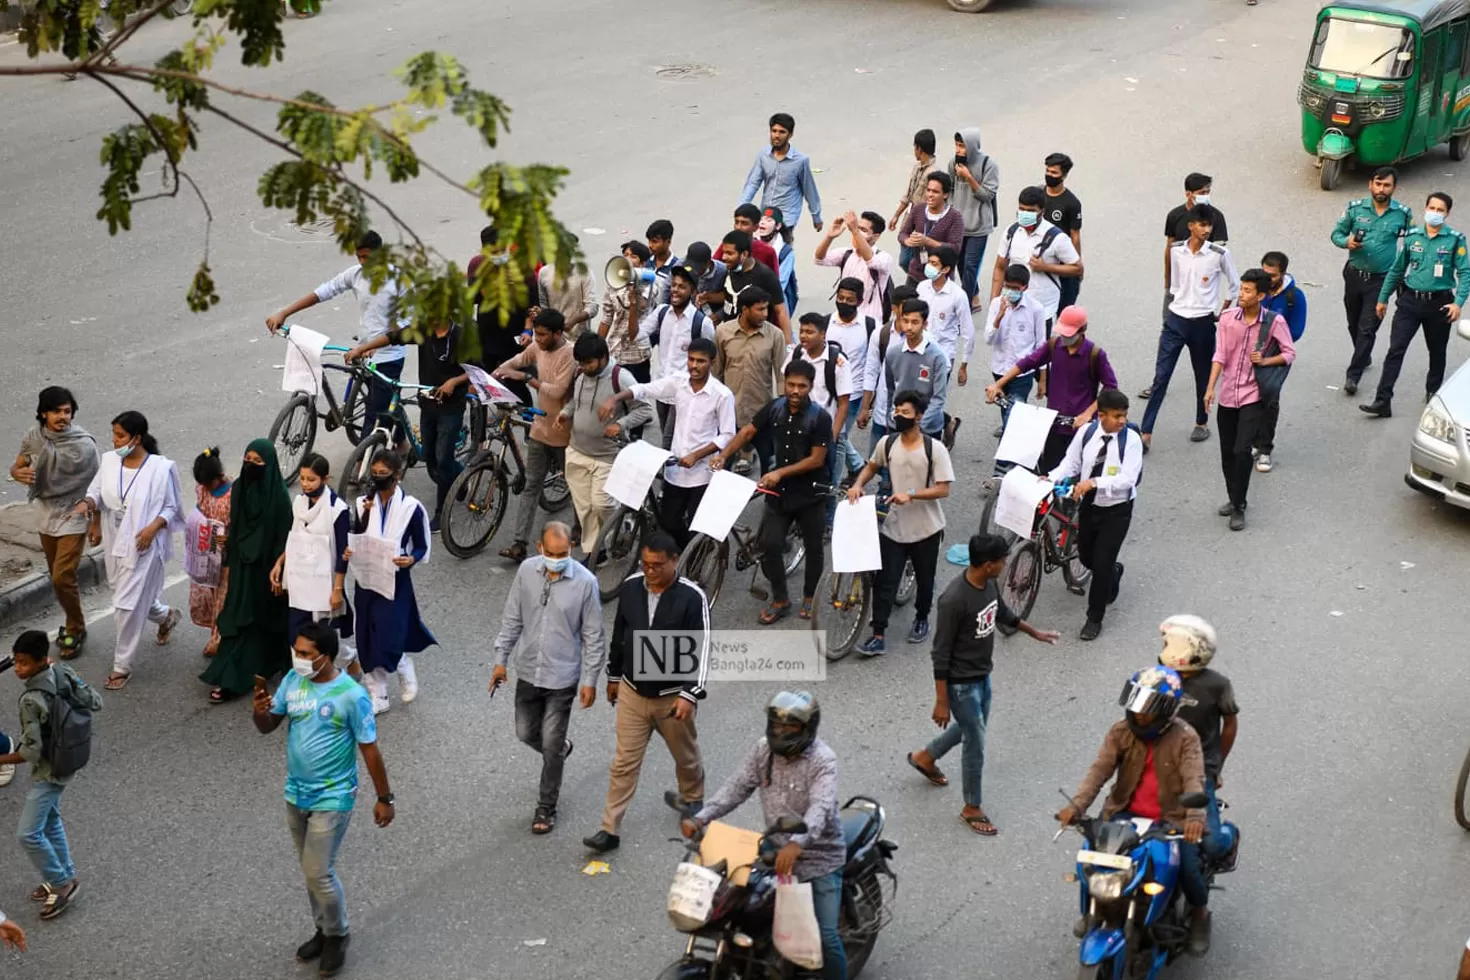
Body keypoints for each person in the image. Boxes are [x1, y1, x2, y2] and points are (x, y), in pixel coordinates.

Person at [253, 622, 394, 979]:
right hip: (295, 793)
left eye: (305, 654)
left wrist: (384, 797)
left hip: (334, 796)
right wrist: (259, 710)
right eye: (296, 652)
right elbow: (269, 725)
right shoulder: (292, 682)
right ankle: (323, 929)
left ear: (326, 658)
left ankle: (338, 934)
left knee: (319, 872)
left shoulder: (351, 695)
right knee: (311, 872)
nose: (298, 659)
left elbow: (369, 749)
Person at [681, 691, 846, 980]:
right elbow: (738, 786)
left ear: (808, 728)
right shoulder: (763, 751)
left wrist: (797, 844)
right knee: (738, 906)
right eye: (777, 725)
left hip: (819, 857)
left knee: (825, 936)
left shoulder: (823, 760)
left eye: (790, 727)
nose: (781, 732)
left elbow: (820, 809)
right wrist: (702, 817)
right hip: (773, 847)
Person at [906, 535, 1059, 836]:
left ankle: (925, 757)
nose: (1005, 565)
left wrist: (1033, 632)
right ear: (989, 564)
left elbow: (1001, 612)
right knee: (975, 743)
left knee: (970, 729)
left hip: (982, 675)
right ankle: (971, 807)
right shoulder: (953, 600)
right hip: (961, 686)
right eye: (1002, 561)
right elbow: (940, 652)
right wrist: (941, 700)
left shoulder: (988, 584)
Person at [1056, 667, 1212, 956]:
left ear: (1165, 711)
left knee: (1188, 869)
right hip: (1122, 815)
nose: (1139, 714)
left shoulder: (1185, 737)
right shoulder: (1120, 731)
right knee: (1092, 861)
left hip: (1169, 821)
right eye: (1136, 704)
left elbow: (1195, 778)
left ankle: (1201, 915)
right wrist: (1077, 806)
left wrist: (1194, 819)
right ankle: (1092, 910)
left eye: (1147, 708)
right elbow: (1099, 771)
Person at [585, 531, 709, 853]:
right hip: (632, 693)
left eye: (657, 565)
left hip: (672, 698)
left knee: (686, 757)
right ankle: (609, 829)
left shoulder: (692, 598)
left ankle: (693, 797)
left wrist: (689, 693)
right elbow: (620, 634)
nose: (650, 571)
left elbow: (702, 648)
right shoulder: (630, 588)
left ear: (674, 561)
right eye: (645, 564)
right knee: (624, 762)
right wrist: (613, 676)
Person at [491, 522, 606, 835]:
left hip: (562, 677)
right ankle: (559, 750)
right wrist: (500, 661)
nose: (557, 559)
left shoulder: (586, 583)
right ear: (540, 548)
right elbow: (512, 617)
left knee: (551, 742)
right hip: (528, 669)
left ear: (571, 548)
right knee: (525, 732)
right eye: (551, 553)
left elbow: (594, 635)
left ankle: (546, 807)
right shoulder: (527, 571)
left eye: (563, 553)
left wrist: (590, 679)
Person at [710, 360, 832, 622]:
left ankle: (810, 598)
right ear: (784, 383)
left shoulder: (820, 418)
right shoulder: (775, 407)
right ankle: (781, 599)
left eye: (802, 386)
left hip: (811, 495)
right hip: (779, 494)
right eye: (791, 384)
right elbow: (748, 432)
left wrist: (779, 473)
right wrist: (725, 454)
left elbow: (816, 460)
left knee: (814, 548)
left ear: (811, 387)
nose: (795, 390)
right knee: (769, 545)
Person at [265, 232, 408, 449]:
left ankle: (361, 464)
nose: (363, 262)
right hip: (364, 350)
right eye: (359, 257)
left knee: (375, 414)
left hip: (389, 355)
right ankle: (401, 441)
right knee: (383, 402)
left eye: (367, 257)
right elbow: (324, 292)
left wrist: (372, 346)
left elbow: (407, 325)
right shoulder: (356, 275)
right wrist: (284, 313)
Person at [77, 411, 183, 691]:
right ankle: (165, 616)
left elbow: (171, 508)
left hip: (144, 543)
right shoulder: (110, 461)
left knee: (125, 604)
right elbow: (96, 491)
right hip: (116, 538)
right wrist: (91, 511)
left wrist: (152, 529)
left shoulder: (160, 468)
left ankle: (121, 666)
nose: (115, 441)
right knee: (131, 596)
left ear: (136, 438)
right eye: (113, 434)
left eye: (120, 436)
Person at [0, 631, 102, 922]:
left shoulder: (30, 700)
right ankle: (64, 874)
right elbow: (95, 702)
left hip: (50, 771)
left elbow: (30, 752)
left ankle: (60, 883)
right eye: (16, 662)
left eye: (23, 663)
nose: (18, 668)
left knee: (28, 833)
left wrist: (2, 759)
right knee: (50, 821)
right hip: (70, 757)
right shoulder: (62, 670)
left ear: (41, 660)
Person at [846, 389, 954, 654]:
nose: (898, 416)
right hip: (894, 526)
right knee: (885, 580)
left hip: (926, 528)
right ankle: (878, 633)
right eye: (896, 411)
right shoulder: (887, 443)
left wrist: (913, 494)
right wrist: (858, 485)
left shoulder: (934, 449)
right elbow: (871, 466)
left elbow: (943, 489)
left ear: (919, 416)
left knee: (925, 577)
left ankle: (921, 619)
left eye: (905, 412)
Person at [601, 338, 736, 550]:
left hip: (702, 473)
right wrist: (616, 398)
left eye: (700, 361)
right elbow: (646, 389)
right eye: (691, 359)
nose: (694, 365)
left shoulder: (722, 395)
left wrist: (697, 455)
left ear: (711, 361)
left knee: (695, 526)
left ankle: (696, 564)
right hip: (675, 469)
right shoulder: (678, 382)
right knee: (669, 522)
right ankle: (683, 556)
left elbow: (727, 435)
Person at [347, 316, 470, 528]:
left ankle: (441, 514)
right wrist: (362, 348)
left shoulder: (462, 337)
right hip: (428, 403)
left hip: (451, 408)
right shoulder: (423, 329)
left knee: (442, 460)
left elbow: (476, 371)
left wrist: (454, 382)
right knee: (429, 457)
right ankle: (460, 476)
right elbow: (393, 337)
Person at [198, 440, 293, 704]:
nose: (250, 465)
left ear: (269, 466)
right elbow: (236, 525)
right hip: (241, 566)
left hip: (266, 570)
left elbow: (284, 540)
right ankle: (232, 676)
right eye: (247, 458)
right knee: (239, 618)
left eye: (257, 461)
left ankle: (249, 672)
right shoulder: (240, 488)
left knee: (261, 620)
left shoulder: (280, 500)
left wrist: (277, 570)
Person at [1361, 191, 1470, 418]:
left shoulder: (1455, 240)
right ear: (1425, 208)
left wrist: (1458, 303)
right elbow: (1397, 270)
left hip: (1440, 304)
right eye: (1432, 208)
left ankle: (1433, 394)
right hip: (1410, 302)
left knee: (1437, 352)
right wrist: (1383, 298)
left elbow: (1465, 273)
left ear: (1447, 213)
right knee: (1395, 350)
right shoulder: (1412, 237)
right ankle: (1382, 401)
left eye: (1440, 210)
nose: (1435, 213)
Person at [1045, 388, 1143, 640]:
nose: (1122, 421)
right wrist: (1051, 477)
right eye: (1116, 416)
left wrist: (1094, 483)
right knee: (1088, 558)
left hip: (1117, 510)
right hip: (1089, 506)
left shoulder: (1131, 440)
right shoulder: (1086, 433)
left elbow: (1128, 479)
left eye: (1124, 415)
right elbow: (1071, 463)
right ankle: (1114, 571)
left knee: (1100, 564)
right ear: (1101, 415)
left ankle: (1094, 618)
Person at [1204, 268, 1296, 531]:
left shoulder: (1274, 322)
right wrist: (1210, 388)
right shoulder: (1227, 319)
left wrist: (1266, 360)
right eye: (1241, 289)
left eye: (1247, 291)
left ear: (1261, 295)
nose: (1241, 295)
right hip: (1227, 395)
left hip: (1253, 395)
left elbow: (1289, 353)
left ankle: (1240, 505)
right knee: (1226, 452)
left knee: (1241, 451)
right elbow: (1219, 355)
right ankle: (1233, 497)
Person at [1141, 205, 1239, 449]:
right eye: (1202, 225)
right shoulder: (1176, 251)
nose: (1206, 230)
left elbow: (1235, 285)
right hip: (1176, 319)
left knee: (1203, 375)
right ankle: (1146, 432)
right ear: (1191, 226)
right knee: (1161, 377)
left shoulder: (1219, 254)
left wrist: (1223, 312)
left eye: (1209, 226)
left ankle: (1201, 422)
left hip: (1203, 322)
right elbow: (1174, 283)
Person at [11, 386, 99, 659]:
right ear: (43, 413)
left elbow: (99, 485)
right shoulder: (34, 437)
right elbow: (20, 463)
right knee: (57, 576)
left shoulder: (84, 445)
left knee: (63, 576)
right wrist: (17, 472)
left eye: (67, 411)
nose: (63, 417)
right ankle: (74, 620)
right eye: (56, 411)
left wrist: (95, 523)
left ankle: (76, 626)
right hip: (46, 513)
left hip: (75, 512)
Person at [345, 450, 436, 714]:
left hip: (395, 581)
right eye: (374, 473)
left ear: (397, 475)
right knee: (366, 636)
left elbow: (421, 545)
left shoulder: (411, 509)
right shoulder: (363, 503)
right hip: (366, 580)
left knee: (389, 634)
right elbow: (354, 535)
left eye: (383, 474)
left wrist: (411, 559)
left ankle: (403, 664)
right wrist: (351, 548)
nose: (377, 478)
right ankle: (378, 694)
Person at [987, 306, 1119, 474]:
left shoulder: (1095, 354)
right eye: (1062, 332)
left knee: (1076, 474)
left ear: (1083, 330)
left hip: (1080, 428)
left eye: (1069, 334)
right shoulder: (1054, 345)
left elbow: (1110, 387)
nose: (1064, 337)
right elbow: (1027, 363)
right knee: (1048, 474)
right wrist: (999, 384)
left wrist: (1088, 413)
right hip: (1054, 425)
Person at [557, 333, 653, 557]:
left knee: (602, 505)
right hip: (577, 451)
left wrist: (621, 424)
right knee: (585, 508)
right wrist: (565, 413)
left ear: (602, 357)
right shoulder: (581, 374)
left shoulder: (621, 378)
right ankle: (595, 552)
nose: (584, 367)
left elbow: (646, 410)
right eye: (580, 363)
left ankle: (623, 524)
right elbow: (576, 402)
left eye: (588, 362)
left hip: (607, 456)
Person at [1158, 615, 1240, 871]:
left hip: (1200, 767)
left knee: (1212, 844)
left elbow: (1230, 725)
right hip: (1161, 760)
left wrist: (1216, 767)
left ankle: (1229, 835)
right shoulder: (1162, 677)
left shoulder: (1218, 686)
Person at [494, 308, 575, 561]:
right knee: (531, 486)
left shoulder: (569, 354)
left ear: (558, 333)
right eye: (536, 334)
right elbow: (517, 361)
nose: (537, 339)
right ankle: (520, 543)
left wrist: (527, 378)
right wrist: (497, 373)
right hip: (540, 429)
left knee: (576, 486)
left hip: (564, 433)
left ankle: (584, 532)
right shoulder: (537, 347)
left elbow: (558, 391)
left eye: (542, 335)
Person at [271, 454, 357, 671]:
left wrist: (337, 589)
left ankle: (344, 660)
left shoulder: (338, 510)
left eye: (311, 479)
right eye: (302, 478)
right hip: (300, 583)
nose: (306, 484)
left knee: (320, 641)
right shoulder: (299, 504)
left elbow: (341, 552)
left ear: (325, 479)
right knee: (295, 635)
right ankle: (305, 680)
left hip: (323, 586)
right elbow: (295, 537)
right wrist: (280, 563)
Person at [1332, 166, 1412, 396]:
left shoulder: (1403, 215)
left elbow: (1414, 241)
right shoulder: (1355, 209)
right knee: (1353, 323)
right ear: (1370, 184)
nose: (1381, 189)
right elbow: (1336, 233)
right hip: (1354, 275)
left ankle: (1353, 375)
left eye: (1386, 185)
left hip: (1382, 280)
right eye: (1378, 183)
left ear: (1393, 188)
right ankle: (1363, 355)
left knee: (1367, 329)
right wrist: (1346, 242)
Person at [782, 314, 851, 518]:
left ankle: (828, 523)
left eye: (810, 332)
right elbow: (784, 384)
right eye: (802, 331)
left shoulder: (837, 362)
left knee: (828, 483)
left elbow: (843, 403)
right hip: (799, 430)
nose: (804, 336)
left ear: (823, 334)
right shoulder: (796, 354)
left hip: (827, 433)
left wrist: (832, 438)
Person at [989, 186, 1083, 335]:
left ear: (1042, 212)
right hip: (1014, 306)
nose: (1025, 213)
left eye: (1031, 211)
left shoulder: (1057, 238)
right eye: (1022, 209)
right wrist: (994, 304)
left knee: (1040, 355)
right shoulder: (1011, 232)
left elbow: (1077, 268)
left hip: (1043, 309)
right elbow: (1000, 267)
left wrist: (1046, 267)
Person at [640, 265, 716, 450]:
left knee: (669, 439)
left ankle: (669, 472)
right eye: (674, 285)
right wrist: (635, 304)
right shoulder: (662, 312)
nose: (675, 290)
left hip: (683, 392)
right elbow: (637, 335)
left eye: (682, 286)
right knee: (668, 435)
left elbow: (711, 357)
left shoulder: (702, 323)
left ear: (692, 291)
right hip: (662, 387)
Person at [714, 287, 787, 473]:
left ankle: (770, 501)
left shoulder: (775, 335)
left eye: (766, 309)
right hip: (730, 412)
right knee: (723, 464)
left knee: (769, 467)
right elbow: (716, 372)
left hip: (762, 413)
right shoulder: (723, 332)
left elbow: (781, 375)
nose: (765, 314)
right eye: (760, 309)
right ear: (745, 309)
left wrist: (783, 410)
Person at [469, 223, 539, 405]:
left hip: (514, 336)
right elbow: (473, 299)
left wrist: (528, 330)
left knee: (516, 381)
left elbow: (532, 305)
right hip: (488, 333)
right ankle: (495, 416)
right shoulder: (477, 265)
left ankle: (526, 419)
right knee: (487, 381)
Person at [1255, 252, 1308, 472]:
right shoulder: (1257, 289)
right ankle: (1252, 441)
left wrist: (1270, 336)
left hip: (1277, 353)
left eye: (1273, 276)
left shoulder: (1294, 297)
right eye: (1264, 273)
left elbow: (1295, 331)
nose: (1267, 279)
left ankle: (1265, 449)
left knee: (1269, 397)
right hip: (1251, 349)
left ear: (1283, 273)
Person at [983, 264, 1048, 438]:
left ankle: (1007, 450)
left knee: (1015, 413)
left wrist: (1042, 379)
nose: (1009, 291)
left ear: (1024, 288)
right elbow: (988, 339)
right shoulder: (997, 304)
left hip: (1022, 374)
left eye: (1014, 288)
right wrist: (998, 319)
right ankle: (1008, 427)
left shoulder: (1036, 309)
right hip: (999, 369)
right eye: (1007, 286)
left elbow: (1042, 345)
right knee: (1006, 407)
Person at [857, 283, 919, 455]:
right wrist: (864, 408)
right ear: (894, 308)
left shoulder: (925, 339)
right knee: (877, 460)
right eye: (906, 306)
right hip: (883, 412)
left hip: (910, 416)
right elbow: (871, 371)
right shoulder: (881, 334)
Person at [823, 277, 875, 482]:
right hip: (827, 391)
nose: (843, 302)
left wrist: (866, 404)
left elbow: (873, 365)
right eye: (840, 297)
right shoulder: (827, 322)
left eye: (849, 300)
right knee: (835, 433)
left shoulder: (870, 326)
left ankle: (832, 484)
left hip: (853, 395)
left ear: (860, 301)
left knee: (839, 438)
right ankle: (855, 464)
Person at [740, 112, 823, 235]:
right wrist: (742, 207)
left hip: (787, 217)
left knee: (781, 250)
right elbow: (753, 183)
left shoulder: (800, 161)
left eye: (782, 132)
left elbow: (809, 190)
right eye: (774, 131)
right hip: (766, 214)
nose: (777, 136)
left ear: (790, 134)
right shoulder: (763, 155)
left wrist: (816, 216)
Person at [881, 299, 951, 440]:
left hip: (928, 428)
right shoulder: (893, 353)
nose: (908, 327)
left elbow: (938, 397)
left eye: (914, 322)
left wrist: (919, 426)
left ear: (924, 324)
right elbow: (891, 391)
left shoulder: (936, 357)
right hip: (898, 425)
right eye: (905, 321)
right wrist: (891, 417)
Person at [185, 448, 231, 656]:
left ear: (219, 477)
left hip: (225, 558)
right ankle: (214, 634)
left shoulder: (232, 496)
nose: (205, 489)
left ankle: (218, 641)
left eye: (208, 484)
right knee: (208, 597)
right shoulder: (203, 490)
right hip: (206, 555)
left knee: (222, 601)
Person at [815, 210, 894, 327]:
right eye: (858, 228)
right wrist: (829, 237)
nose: (857, 232)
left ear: (876, 236)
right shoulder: (846, 254)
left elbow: (871, 261)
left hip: (870, 322)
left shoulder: (884, 257)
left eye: (864, 230)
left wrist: (855, 231)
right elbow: (819, 259)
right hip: (844, 318)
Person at [950, 128, 1000, 306]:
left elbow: (987, 195)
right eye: (956, 145)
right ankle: (974, 296)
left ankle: (963, 307)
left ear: (972, 146)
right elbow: (949, 191)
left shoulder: (989, 165)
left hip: (978, 227)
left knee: (971, 267)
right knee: (960, 265)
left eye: (962, 146)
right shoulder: (953, 164)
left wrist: (969, 177)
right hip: (958, 226)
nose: (958, 150)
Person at [597, 240, 658, 387]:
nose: (628, 259)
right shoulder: (614, 284)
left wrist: (634, 292)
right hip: (615, 350)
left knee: (637, 397)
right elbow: (607, 317)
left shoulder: (649, 286)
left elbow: (640, 308)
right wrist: (597, 346)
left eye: (634, 256)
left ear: (642, 263)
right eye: (625, 255)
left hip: (637, 354)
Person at [916, 245, 977, 389]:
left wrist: (964, 365)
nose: (929, 266)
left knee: (935, 399)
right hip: (919, 351)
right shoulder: (922, 287)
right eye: (929, 262)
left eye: (934, 264)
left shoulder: (958, 295)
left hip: (943, 355)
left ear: (945, 269)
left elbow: (968, 331)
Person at [715, 229, 791, 341]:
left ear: (744, 254)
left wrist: (788, 346)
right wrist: (708, 297)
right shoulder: (730, 268)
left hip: (756, 339)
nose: (724, 257)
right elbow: (731, 295)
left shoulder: (765, 276)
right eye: (724, 252)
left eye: (729, 253)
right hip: (730, 337)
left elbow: (780, 311)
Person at [898, 171, 964, 285]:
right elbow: (902, 233)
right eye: (928, 190)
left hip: (940, 276)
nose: (930, 195)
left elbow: (955, 248)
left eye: (935, 192)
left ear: (945, 195)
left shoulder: (955, 217)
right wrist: (907, 241)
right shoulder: (918, 209)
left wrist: (927, 241)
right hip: (916, 273)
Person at [1043, 152, 1084, 311]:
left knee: (1064, 308)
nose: (1049, 175)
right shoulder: (1038, 196)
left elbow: (1075, 236)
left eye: (1054, 173)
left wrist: (1076, 263)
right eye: (1047, 171)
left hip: (1061, 261)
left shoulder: (1072, 203)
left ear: (1064, 176)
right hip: (1041, 260)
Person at [893, 128, 937, 272]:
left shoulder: (933, 172)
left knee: (914, 258)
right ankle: (916, 279)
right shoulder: (917, 167)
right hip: (910, 218)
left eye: (915, 147)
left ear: (919, 148)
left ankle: (919, 281)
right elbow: (909, 194)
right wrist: (896, 215)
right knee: (906, 257)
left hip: (923, 222)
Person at [537, 247, 598, 338]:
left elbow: (592, 306)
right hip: (554, 339)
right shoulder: (544, 273)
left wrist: (574, 320)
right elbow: (543, 305)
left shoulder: (584, 273)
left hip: (578, 338)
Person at [757, 206, 799, 313]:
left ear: (778, 226)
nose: (762, 223)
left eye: (768, 220)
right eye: (761, 219)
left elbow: (781, 282)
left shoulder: (785, 252)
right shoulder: (751, 243)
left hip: (775, 297)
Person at [732, 204, 782, 276]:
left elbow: (776, 282)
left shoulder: (768, 251)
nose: (738, 227)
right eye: (736, 222)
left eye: (744, 223)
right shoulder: (727, 245)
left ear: (755, 227)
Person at [685, 241, 729, 321]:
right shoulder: (681, 265)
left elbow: (731, 300)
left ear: (708, 263)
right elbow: (668, 288)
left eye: (697, 268)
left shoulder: (723, 272)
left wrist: (719, 315)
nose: (694, 271)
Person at [646, 218, 681, 305]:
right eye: (649, 241)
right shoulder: (645, 260)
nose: (650, 245)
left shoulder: (677, 268)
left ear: (668, 242)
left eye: (654, 241)